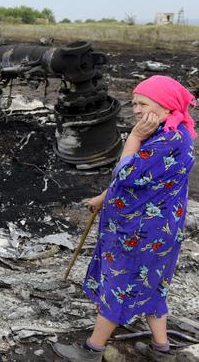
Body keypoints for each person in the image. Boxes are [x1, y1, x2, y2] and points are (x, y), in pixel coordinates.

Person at [53, 75, 197, 362]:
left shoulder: (168, 140)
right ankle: (161, 349)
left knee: (119, 284)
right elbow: (140, 180)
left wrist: (133, 138)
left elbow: (127, 174)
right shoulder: (166, 131)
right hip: (154, 230)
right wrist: (103, 198)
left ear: (166, 105)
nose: (137, 110)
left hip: (142, 232)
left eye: (143, 103)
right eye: (134, 103)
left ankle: (93, 350)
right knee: (153, 285)